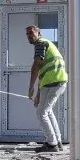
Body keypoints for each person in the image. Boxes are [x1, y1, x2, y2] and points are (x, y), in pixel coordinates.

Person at [26, 25, 68, 153]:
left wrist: (31, 87)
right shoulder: (46, 44)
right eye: (27, 34)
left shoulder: (40, 43)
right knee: (47, 111)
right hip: (55, 82)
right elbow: (43, 73)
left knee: (41, 112)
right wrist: (38, 94)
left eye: (31, 33)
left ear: (39, 33)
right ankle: (58, 142)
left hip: (54, 82)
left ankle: (52, 143)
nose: (29, 35)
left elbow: (36, 66)